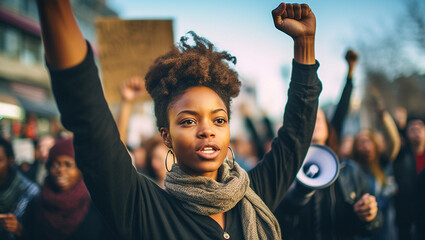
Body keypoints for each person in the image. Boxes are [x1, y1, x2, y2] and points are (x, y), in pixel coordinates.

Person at [36, 1, 322, 239]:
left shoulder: (254, 193)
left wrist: (305, 44)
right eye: (188, 121)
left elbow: (295, 137)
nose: (207, 130)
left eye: (219, 120)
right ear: (166, 136)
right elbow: (89, 120)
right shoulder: (143, 207)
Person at [275, 108, 382, 240]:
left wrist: (370, 217)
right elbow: (278, 222)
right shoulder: (283, 171)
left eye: (319, 119)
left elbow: (375, 226)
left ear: (327, 128)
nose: (314, 122)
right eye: (308, 119)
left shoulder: (350, 171)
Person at [21, 138, 115, 240]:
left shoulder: (95, 207)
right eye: (56, 164)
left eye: (68, 165)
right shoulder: (36, 203)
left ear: (80, 169)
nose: (61, 170)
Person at [351, 106, 401, 240]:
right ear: (355, 147)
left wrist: (385, 118)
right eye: (361, 141)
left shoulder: (381, 163)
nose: (365, 145)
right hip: (364, 226)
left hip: (386, 225)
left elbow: (394, 142)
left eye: (368, 140)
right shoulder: (352, 168)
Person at [0, 137, 39, 240]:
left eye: (0, 160)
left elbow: (38, 234)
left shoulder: (30, 192)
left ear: (10, 161)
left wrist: (18, 229)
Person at [393, 115, 425, 240]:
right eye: (412, 129)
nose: (416, 131)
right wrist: (399, 126)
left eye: (420, 128)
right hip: (408, 216)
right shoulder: (401, 156)